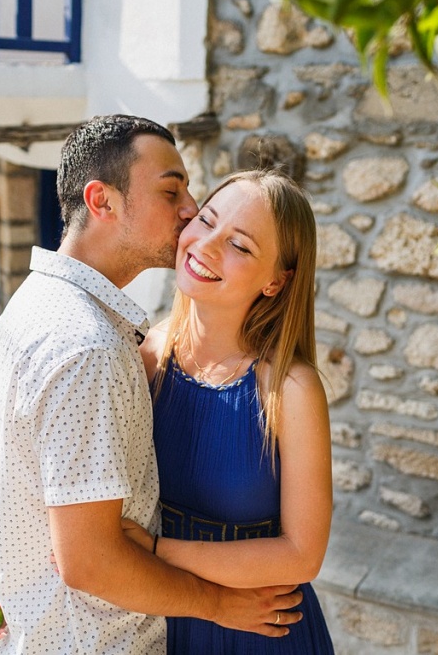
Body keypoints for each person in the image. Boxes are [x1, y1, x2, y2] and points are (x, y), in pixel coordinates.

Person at [0, 114, 304, 653]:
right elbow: (91, 562)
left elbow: (44, 471)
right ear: (102, 201)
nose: (190, 209)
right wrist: (217, 605)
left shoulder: (37, 304)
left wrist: (5, 547)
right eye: (172, 191)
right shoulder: (89, 347)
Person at [130, 168, 335, 653]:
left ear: (276, 281)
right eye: (206, 220)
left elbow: (302, 555)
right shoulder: (147, 354)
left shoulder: (290, 388)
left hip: (260, 630)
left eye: (240, 245)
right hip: (161, 622)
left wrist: (158, 551)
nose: (206, 245)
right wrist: (1, 555)